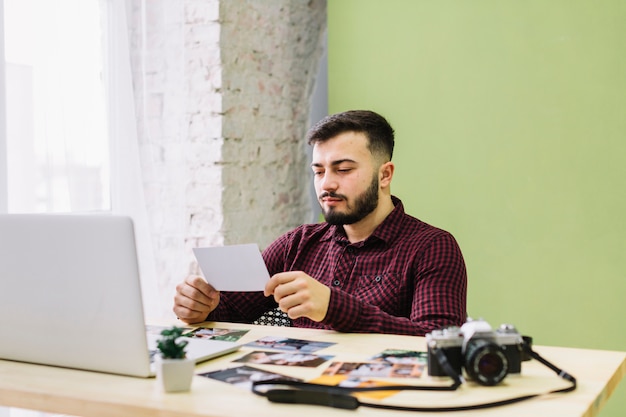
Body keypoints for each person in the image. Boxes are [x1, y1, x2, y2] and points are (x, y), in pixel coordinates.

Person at [173, 110, 467, 336]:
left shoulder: (432, 247)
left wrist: (333, 307)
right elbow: (231, 311)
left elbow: (438, 339)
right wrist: (201, 306)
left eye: (343, 169)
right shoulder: (297, 245)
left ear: (385, 175)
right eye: (319, 171)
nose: (327, 184)